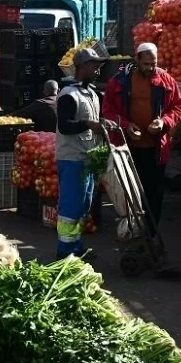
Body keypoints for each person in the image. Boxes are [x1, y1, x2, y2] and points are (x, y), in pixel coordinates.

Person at [102, 42, 181, 235]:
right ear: (137, 59)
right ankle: (131, 230)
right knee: (129, 192)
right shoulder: (118, 81)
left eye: (153, 63)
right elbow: (108, 109)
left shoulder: (166, 80)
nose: (150, 67)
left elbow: (177, 107)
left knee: (154, 193)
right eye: (146, 63)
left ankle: (151, 232)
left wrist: (163, 122)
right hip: (127, 148)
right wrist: (126, 125)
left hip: (156, 149)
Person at [56, 49, 112, 259]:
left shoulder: (91, 94)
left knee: (84, 204)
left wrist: (103, 124)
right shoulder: (68, 95)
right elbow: (64, 126)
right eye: (94, 66)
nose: (98, 70)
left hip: (87, 157)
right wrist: (88, 124)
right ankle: (64, 252)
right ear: (81, 68)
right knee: (71, 206)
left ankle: (76, 245)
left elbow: (94, 120)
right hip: (72, 158)